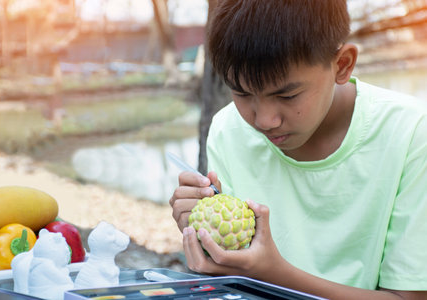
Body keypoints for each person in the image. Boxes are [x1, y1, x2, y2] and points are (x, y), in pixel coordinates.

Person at [169, 0, 427, 299]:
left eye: (287, 95)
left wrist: (275, 274)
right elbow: (237, 276)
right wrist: (208, 238)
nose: (264, 120)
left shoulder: (411, 134)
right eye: (241, 92)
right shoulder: (228, 130)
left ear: (341, 65)